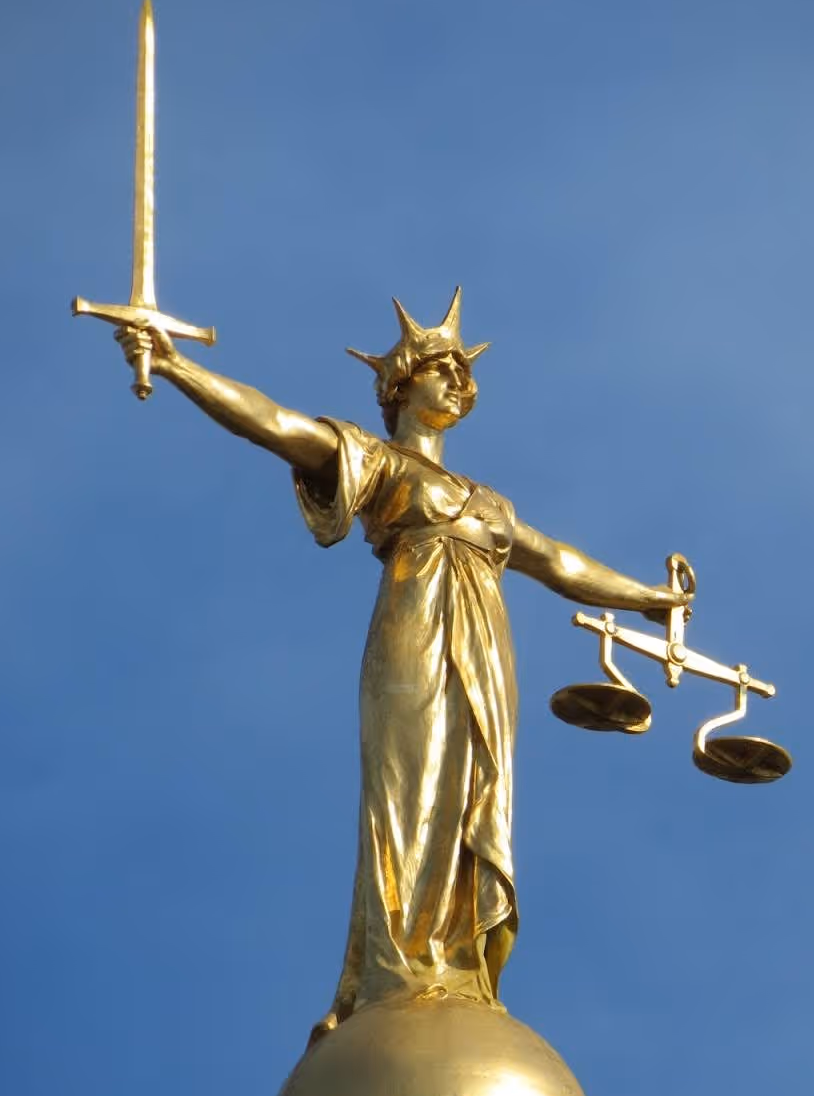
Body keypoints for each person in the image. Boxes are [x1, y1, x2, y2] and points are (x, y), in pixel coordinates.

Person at [116, 290, 689, 1037]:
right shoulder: (382, 463)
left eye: (461, 371)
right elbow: (277, 424)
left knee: (473, 788)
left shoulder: (489, 504)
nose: (456, 380)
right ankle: (396, 967)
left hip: (484, 649)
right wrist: (178, 365)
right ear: (399, 387)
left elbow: (558, 561)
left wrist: (646, 598)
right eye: (438, 369)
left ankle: (456, 957)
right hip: (414, 630)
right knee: (409, 787)